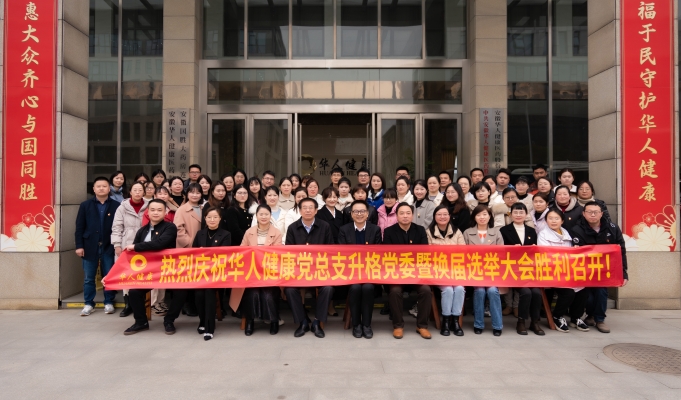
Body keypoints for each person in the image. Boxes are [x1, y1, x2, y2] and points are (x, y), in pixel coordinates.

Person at [570, 201, 629, 333]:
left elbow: (621, 251)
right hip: (585, 270)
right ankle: (590, 315)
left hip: (604, 270)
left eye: (595, 212)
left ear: (601, 214)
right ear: (584, 214)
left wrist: (623, 273)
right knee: (588, 296)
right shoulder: (577, 230)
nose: (593, 215)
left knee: (601, 292)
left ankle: (600, 319)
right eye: (589, 212)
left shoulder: (612, 228)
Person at [123, 199, 178, 335]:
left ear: (165, 212)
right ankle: (141, 322)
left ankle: (169, 320)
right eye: (152, 210)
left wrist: (136, 246)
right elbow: (134, 255)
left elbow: (159, 244)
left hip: (167, 270)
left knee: (181, 291)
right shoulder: (141, 231)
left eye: (159, 210)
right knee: (134, 292)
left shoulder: (170, 227)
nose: (156, 212)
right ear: (147, 212)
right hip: (147, 272)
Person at [284, 198, 335, 338]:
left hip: (320, 269)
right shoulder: (292, 228)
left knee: (328, 288)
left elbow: (331, 249)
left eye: (311, 207)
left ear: (316, 210)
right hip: (299, 270)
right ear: (300, 211)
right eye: (304, 208)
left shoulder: (324, 226)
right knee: (289, 289)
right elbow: (289, 252)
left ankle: (317, 322)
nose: (307, 210)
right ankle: (302, 321)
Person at [383, 203, 432, 339]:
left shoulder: (420, 230)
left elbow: (424, 253)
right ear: (396, 216)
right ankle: (398, 326)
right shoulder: (389, 231)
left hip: (416, 273)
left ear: (412, 215)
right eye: (402, 213)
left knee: (426, 290)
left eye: (408, 213)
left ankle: (422, 326)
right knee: (395, 291)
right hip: (397, 273)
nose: (405, 216)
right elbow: (388, 254)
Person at [538, 208, 589, 333]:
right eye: (550, 218)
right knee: (568, 292)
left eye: (556, 218)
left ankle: (575, 317)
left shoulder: (566, 232)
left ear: (562, 221)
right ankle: (557, 316)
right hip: (552, 272)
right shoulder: (543, 234)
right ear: (546, 221)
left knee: (583, 288)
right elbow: (546, 255)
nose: (553, 221)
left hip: (567, 271)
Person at [75, 177, 120, 316]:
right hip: (89, 245)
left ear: (109, 189)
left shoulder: (116, 205)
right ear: (93, 189)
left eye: (104, 186)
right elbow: (79, 227)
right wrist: (79, 246)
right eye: (98, 186)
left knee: (109, 275)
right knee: (89, 277)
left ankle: (109, 302)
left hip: (108, 246)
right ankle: (88, 303)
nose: (101, 188)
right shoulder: (85, 205)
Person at [338, 200, 382, 339]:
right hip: (351, 273)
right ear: (351, 214)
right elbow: (342, 254)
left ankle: (367, 325)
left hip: (370, 272)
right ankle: (356, 324)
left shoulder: (375, 229)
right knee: (356, 288)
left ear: (367, 214)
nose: (359, 214)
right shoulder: (344, 230)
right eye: (356, 211)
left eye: (362, 211)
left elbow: (378, 253)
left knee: (368, 288)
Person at [237, 205, 283, 336]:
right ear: (256, 216)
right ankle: (250, 321)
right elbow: (242, 250)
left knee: (268, 294)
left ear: (270, 216)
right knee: (253, 293)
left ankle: (274, 320)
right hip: (252, 272)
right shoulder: (249, 232)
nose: (264, 217)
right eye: (261, 214)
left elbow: (278, 253)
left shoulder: (277, 232)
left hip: (270, 272)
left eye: (266, 214)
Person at [499, 203, 544, 336]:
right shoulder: (504, 230)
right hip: (512, 270)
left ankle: (535, 322)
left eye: (521, 212)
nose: (518, 215)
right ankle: (521, 321)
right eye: (515, 212)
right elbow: (500, 251)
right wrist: (512, 249)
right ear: (510, 214)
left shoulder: (531, 231)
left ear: (526, 214)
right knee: (526, 292)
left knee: (536, 292)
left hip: (529, 270)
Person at [463, 205, 505, 336]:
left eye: (485, 214)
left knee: (492, 291)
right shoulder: (467, 232)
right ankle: (478, 324)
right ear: (474, 217)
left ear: (489, 216)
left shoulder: (496, 232)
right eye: (478, 215)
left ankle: (497, 325)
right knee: (480, 291)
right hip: (474, 271)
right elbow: (463, 254)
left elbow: (502, 254)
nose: (482, 217)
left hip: (492, 271)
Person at [193, 207, 232, 340]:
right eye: (209, 217)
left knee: (209, 292)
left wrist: (205, 252)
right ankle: (202, 321)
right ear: (205, 219)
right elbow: (193, 253)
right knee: (198, 294)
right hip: (201, 272)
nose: (212, 220)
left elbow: (224, 255)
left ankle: (209, 328)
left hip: (217, 273)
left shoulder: (226, 234)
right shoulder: (200, 234)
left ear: (220, 219)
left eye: (215, 217)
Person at [111, 181, 149, 317]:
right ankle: (128, 304)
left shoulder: (149, 205)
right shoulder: (122, 207)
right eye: (135, 190)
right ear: (130, 192)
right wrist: (116, 244)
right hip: (126, 243)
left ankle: (143, 303)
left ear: (144, 192)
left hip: (145, 244)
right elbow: (117, 227)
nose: (138, 192)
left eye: (140, 190)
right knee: (126, 274)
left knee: (144, 273)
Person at [427, 205, 465, 337]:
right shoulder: (428, 232)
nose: (442, 217)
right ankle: (446, 321)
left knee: (459, 288)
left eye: (445, 214)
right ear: (434, 216)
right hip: (438, 271)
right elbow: (427, 254)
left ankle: (456, 321)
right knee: (448, 289)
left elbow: (463, 252)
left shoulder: (457, 232)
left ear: (450, 216)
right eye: (439, 214)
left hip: (455, 270)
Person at [173, 182, 204, 318]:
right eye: (192, 192)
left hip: (202, 249)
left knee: (199, 277)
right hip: (187, 249)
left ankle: (196, 305)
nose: (195, 195)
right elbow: (178, 229)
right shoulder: (182, 209)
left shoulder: (204, 208)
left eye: (198, 192)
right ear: (187, 194)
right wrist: (191, 243)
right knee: (188, 278)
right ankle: (187, 306)